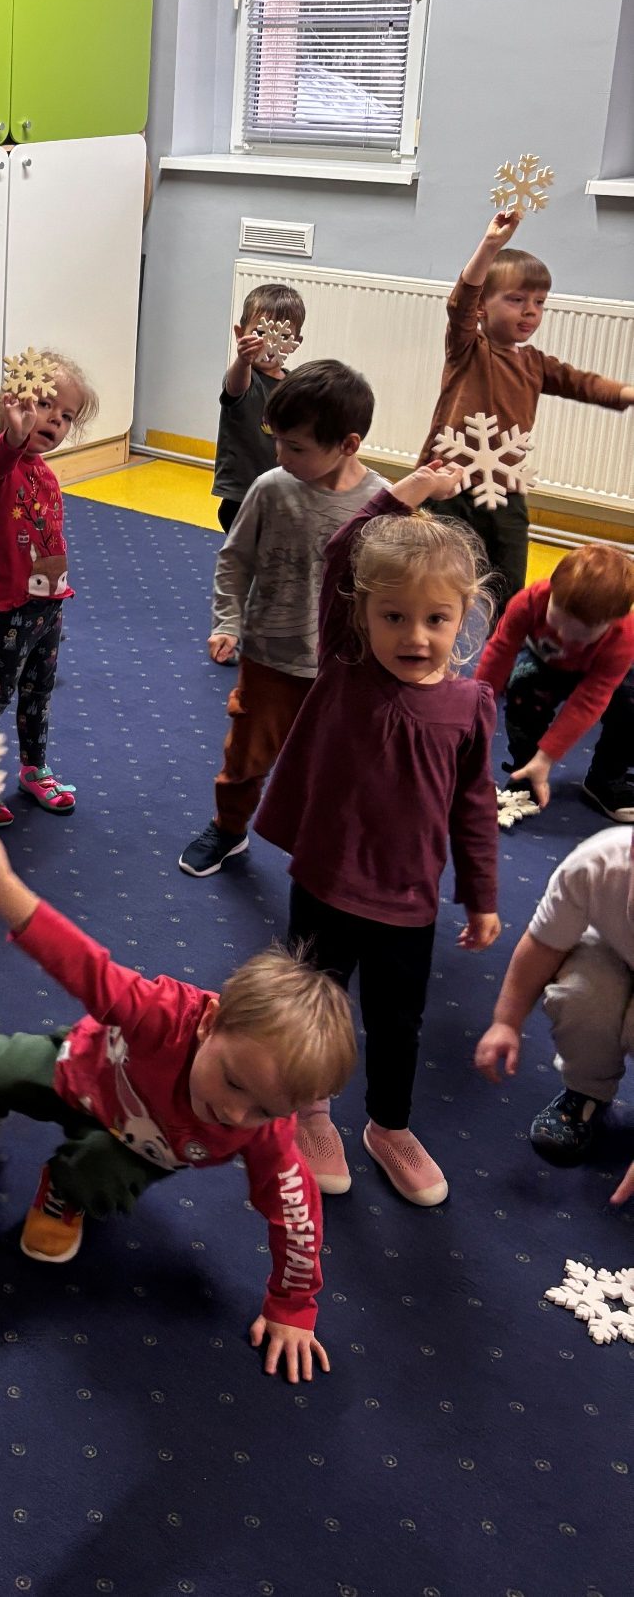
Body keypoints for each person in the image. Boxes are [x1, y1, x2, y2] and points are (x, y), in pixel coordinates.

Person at [0, 824, 355, 1382]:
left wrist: (292, 1308)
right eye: (234, 1083)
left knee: (101, 1176)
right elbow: (79, 962)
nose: (237, 1115)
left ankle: (63, 1192)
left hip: (135, 1145)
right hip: (77, 1071)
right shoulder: (163, 1015)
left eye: (266, 1110)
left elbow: (297, 1218)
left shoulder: (267, 1135)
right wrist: (0, 883)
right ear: (209, 1023)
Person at [256, 467, 502, 1210]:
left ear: (465, 617)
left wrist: (482, 896)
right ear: (361, 616)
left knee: (398, 1022)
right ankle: (312, 1111)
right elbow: (340, 551)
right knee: (315, 1003)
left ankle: (388, 1125)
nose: (414, 636)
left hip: (408, 897)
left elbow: (475, 805)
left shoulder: (470, 704)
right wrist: (408, 491)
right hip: (327, 880)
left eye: (436, 619)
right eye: (393, 616)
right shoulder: (347, 663)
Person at [180, 359, 380, 877]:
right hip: (270, 656)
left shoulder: (381, 504)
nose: (280, 456)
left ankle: (326, 844)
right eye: (277, 442)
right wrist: (227, 621)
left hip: (343, 667)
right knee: (245, 756)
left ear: (348, 445)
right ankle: (228, 829)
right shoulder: (271, 488)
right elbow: (235, 559)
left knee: (334, 763)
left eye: (296, 448)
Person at [420, 207, 633, 612]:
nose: (530, 310)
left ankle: (501, 635)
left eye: (539, 302)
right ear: (482, 308)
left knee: (507, 578)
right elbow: (460, 304)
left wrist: (626, 392)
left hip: (505, 485)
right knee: (441, 572)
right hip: (450, 484)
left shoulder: (534, 363)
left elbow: (582, 382)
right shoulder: (468, 350)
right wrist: (490, 245)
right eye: (516, 300)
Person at [0, 357, 97, 825]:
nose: (55, 421)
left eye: (66, 416)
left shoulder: (45, 473)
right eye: (44, 405)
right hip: (11, 608)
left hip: (50, 604)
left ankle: (34, 768)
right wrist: (13, 438)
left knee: (39, 692)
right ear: (14, 404)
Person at [475, 825, 634, 1191]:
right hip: (613, 946)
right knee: (581, 996)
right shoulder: (596, 863)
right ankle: (587, 1095)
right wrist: (506, 1022)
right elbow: (543, 944)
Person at [475, 542, 634, 823]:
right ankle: (526, 770)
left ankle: (604, 780)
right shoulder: (529, 601)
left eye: (580, 635)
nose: (563, 636)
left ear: (612, 622)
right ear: (551, 591)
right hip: (544, 662)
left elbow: (589, 700)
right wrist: (474, 709)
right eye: (557, 621)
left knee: (630, 706)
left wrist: (548, 757)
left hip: (600, 671)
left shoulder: (624, 637)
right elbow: (499, 653)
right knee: (523, 689)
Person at [212, 280, 306, 535]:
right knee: (247, 552)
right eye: (260, 333)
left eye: (282, 337)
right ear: (240, 334)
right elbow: (235, 386)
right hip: (242, 494)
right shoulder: (245, 376)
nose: (269, 343)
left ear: (295, 342)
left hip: (280, 491)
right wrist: (243, 360)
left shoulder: (293, 385)